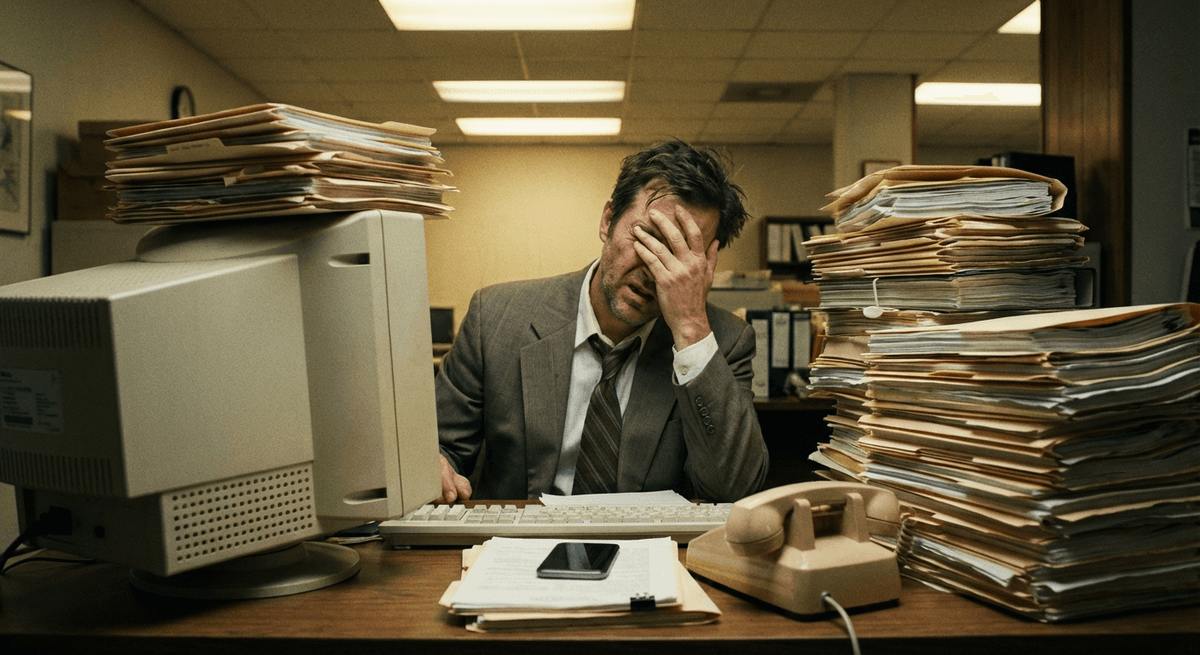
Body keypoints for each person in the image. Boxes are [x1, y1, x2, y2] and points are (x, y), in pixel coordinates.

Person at [435, 140, 768, 503]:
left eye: (679, 253)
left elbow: (734, 489)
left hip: (651, 547)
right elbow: (440, 448)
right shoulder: (496, 318)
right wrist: (435, 464)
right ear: (608, 220)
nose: (654, 268)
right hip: (516, 540)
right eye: (648, 237)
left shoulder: (722, 341)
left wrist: (690, 328)